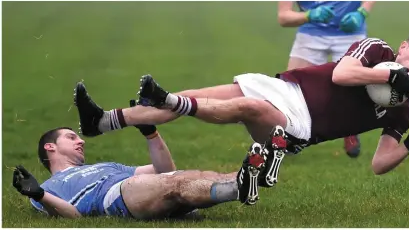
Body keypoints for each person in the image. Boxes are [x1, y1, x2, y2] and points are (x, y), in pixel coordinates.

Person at [75, 31, 409, 187]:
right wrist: (388, 76)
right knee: (199, 93)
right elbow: (343, 74)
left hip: (298, 128)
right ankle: (103, 121)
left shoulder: (402, 109)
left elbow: (379, 165)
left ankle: (170, 101)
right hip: (287, 88)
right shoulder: (376, 50)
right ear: (404, 46)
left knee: (247, 107)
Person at [11, 88, 289, 219]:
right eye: (71, 137)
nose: (81, 141)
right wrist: (38, 195)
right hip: (115, 197)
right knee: (177, 183)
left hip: (132, 187)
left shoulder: (106, 165)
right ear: (50, 147)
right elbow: (74, 217)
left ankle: (255, 177)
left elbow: (163, 168)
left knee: (191, 176)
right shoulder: (48, 188)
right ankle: (240, 185)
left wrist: (150, 132)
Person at [277, 1, 377, 157]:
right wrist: (309, 15)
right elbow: (283, 17)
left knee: (354, 88)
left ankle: (350, 129)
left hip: (350, 32)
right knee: (291, 88)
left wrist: (362, 13)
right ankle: (288, 136)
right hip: (311, 33)